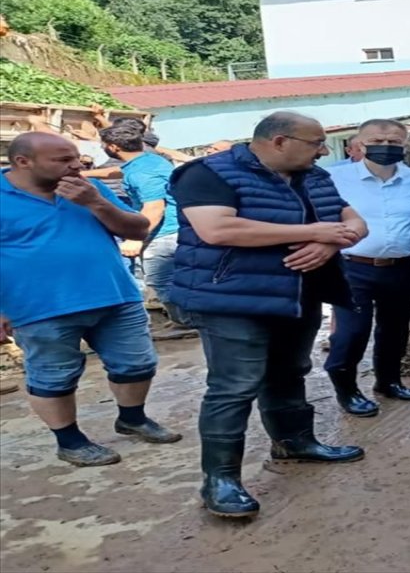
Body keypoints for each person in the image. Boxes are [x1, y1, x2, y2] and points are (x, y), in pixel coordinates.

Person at [169, 111, 370, 519]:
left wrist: (331, 245)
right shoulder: (208, 173)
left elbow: (351, 220)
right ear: (279, 141)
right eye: (314, 143)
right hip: (232, 298)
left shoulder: (313, 175)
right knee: (235, 386)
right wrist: (315, 233)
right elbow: (219, 230)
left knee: (290, 370)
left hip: (298, 293)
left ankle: (295, 442)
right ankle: (220, 479)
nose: (321, 150)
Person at [0, 132, 181, 467]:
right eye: (63, 160)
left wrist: (95, 203)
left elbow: (138, 229)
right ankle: (69, 441)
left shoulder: (87, 189)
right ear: (23, 162)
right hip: (39, 308)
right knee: (54, 376)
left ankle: (132, 418)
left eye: (76, 158)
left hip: (115, 296)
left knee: (137, 365)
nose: (76, 165)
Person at [324, 119, 410, 417]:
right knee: (351, 332)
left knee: (395, 330)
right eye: (377, 141)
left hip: (402, 267)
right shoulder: (333, 177)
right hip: (352, 267)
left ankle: (389, 382)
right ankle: (347, 389)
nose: (385, 147)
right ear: (359, 144)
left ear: (405, 145)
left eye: (393, 142)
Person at [97, 123, 188, 334]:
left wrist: (136, 238)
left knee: (160, 280)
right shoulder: (149, 161)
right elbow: (117, 172)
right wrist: (86, 174)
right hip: (176, 229)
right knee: (175, 277)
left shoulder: (143, 174)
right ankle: (183, 318)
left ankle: (185, 321)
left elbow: (155, 207)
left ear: (112, 147)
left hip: (163, 233)